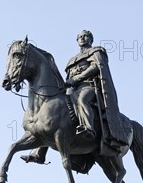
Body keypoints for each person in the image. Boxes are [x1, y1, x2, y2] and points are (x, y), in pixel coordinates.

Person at [21, 29, 129, 164]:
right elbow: (68, 77)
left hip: (89, 87)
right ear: (77, 41)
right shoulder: (72, 60)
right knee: (52, 115)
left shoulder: (96, 51)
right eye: (80, 37)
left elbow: (96, 67)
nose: (83, 38)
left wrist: (76, 78)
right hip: (73, 89)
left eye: (86, 36)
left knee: (82, 100)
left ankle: (88, 128)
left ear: (91, 39)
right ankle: (39, 152)